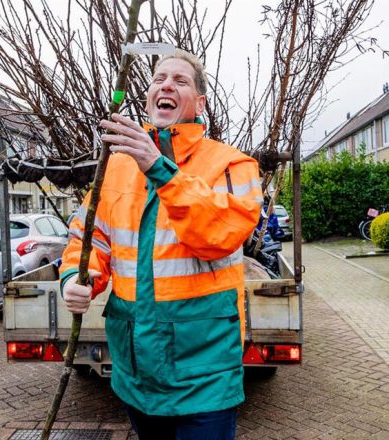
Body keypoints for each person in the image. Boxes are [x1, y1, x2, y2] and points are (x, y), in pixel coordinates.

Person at [59, 49, 262, 439]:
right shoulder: (117, 165)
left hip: (204, 366)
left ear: (199, 102)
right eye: (158, 78)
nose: (166, 84)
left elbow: (222, 234)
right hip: (136, 365)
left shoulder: (232, 164)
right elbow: (89, 238)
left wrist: (160, 169)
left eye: (180, 80)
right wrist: (76, 277)